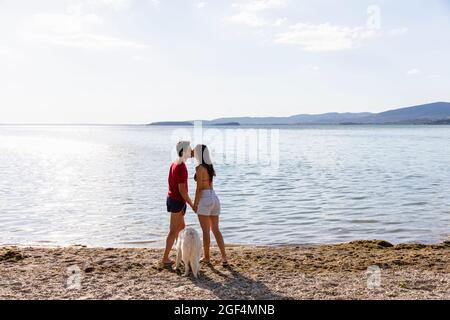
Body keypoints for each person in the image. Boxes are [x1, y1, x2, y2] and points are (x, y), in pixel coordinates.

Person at [192, 144, 227, 266]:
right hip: (214, 197)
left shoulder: (200, 168)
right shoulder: (210, 167)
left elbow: (199, 188)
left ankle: (207, 258)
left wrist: (195, 204)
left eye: (195, 152)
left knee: (206, 231)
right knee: (216, 229)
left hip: (205, 199)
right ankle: (224, 257)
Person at [162, 141, 194, 266]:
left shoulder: (175, 162)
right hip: (176, 200)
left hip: (174, 199)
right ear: (184, 151)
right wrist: (191, 204)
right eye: (190, 148)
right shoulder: (180, 166)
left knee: (181, 229)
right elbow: (182, 190)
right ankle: (165, 258)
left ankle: (180, 255)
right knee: (173, 231)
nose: (191, 150)